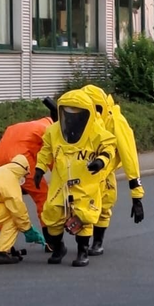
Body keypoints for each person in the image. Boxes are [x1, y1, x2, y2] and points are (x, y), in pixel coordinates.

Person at [35, 89, 117, 267]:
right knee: (51, 214)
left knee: (84, 215)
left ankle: (82, 252)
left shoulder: (96, 131)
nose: (72, 118)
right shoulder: (54, 131)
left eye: (77, 114)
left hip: (86, 182)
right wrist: (39, 168)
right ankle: (58, 248)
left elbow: (109, 147)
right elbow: (46, 150)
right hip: (61, 182)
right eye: (68, 113)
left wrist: (101, 161)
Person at [81, 84, 145, 256]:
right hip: (84, 169)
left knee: (104, 204)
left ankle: (97, 242)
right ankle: (79, 243)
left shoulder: (116, 122)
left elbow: (129, 156)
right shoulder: (86, 118)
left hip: (105, 171)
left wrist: (136, 196)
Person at [0, 102, 57, 225]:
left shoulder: (22, 126)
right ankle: (49, 233)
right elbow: (53, 157)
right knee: (42, 196)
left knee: (5, 198)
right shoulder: (49, 129)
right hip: (20, 161)